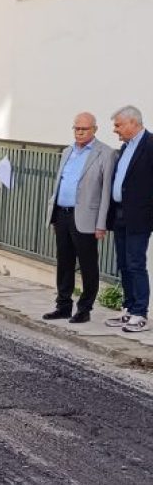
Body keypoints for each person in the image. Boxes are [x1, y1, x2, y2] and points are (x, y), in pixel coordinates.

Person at [43, 113, 114, 324]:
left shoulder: (105, 153)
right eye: (76, 128)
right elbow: (60, 183)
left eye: (84, 129)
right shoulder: (68, 151)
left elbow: (106, 191)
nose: (79, 132)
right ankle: (63, 305)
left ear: (95, 129)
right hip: (62, 214)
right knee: (64, 262)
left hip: (86, 217)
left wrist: (101, 224)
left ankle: (84, 308)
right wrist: (54, 215)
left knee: (88, 264)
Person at [105, 105, 153, 333]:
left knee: (135, 263)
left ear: (133, 123)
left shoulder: (150, 145)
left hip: (139, 217)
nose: (115, 130)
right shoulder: (125, 148)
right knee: (123, 264)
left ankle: (140, 313)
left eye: (118, 125)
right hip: (120, 214)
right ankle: (129, 307)